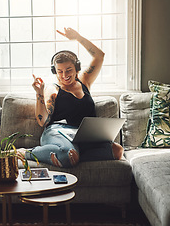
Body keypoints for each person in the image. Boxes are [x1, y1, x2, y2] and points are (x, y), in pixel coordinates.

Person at [18, 27, 124, 168]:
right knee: (68, 155)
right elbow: (42, 121)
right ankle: (26, 153)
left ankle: (73, 155)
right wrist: (39, 93)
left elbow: (99, 56)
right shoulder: (53, 89)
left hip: (83, 136)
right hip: (58, 132)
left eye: (69, 70)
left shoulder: (84, 81)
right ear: (54, 71)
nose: (64, 75)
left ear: (77, 69)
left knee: (117, 150)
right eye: (59, 71)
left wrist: (78, 37)